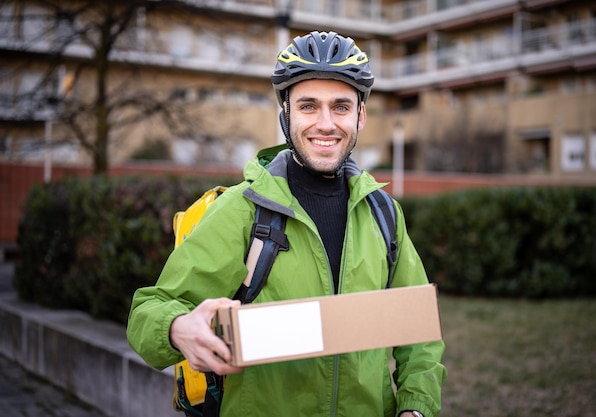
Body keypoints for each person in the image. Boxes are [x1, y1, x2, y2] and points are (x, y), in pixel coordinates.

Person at [127, 31, 446, 417]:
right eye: (309, 106)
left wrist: (416, 408)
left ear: (361, 114)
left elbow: (418, 333)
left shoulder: (383, 213)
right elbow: (148, 311)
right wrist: (177, 327)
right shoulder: (242, 209)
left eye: (341, 107)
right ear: (286, 113)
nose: (326, 124)